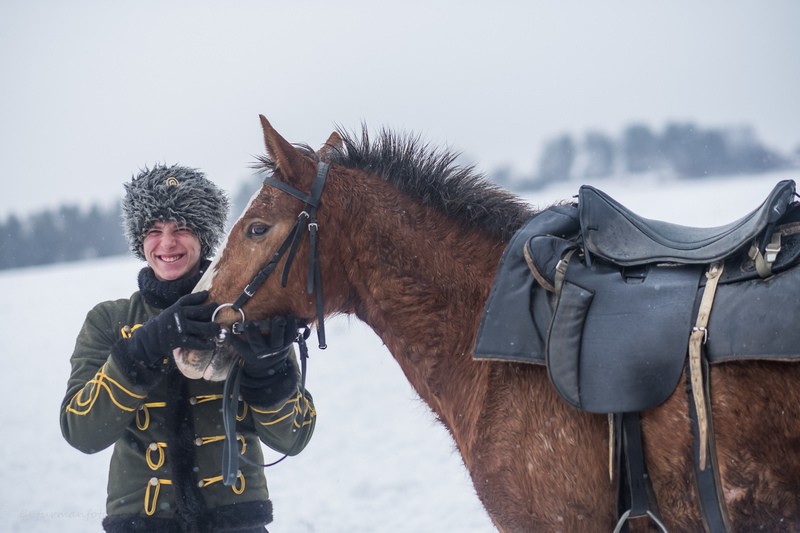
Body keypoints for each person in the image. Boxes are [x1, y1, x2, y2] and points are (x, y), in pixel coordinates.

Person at [60, 164, 316, 532]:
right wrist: (144, 348)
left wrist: (270, 372)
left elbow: (294, 439)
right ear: (139, 240)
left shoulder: (249, 310)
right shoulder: (109, 320)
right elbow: (81, 432)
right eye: (154, 231)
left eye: (181, 228)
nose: (167, 244)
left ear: (205, 236)